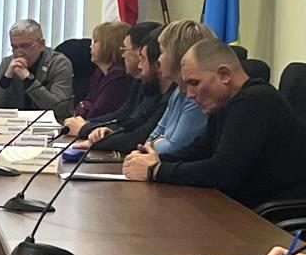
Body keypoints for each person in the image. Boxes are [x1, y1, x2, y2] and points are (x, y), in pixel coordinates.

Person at [124, 39, 306, 210]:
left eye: (194, 83)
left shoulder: (255, 101)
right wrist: (154, 159)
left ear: (224, 75)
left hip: (271, 215)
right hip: (241, 207)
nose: (190, 94)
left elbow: (223, 172)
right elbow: (200, 150)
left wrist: (156, 170)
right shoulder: (225, 103)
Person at [117, 20, 211, 158]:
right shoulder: (178, 92)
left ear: (178, 55)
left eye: (162, 52)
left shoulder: (196, 97)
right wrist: (158, 141)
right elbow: (151, 138)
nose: (158, 59)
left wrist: (157, 142)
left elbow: (174, 148)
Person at [68, 22, 163, 140]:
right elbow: (126, 116)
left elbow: (136, 130)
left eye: (125, 49)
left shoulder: (120, 77)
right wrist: (88, 125)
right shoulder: (101, 73)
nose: (122, 55)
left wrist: (85, 127)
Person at [0, 19, 74, 119]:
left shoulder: (59, 63)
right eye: (15, 47)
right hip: (14, 123)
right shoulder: (7, 63)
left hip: (49, 125)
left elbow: (61, 109)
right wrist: (6, 80)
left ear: (41, 44)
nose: (19, 53)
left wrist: (28, 80)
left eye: (25, 46)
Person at [65, 21, 130, 125]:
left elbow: (96, 113)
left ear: (109, 45)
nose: (90, 46)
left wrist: (85, 109)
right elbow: (85, 104)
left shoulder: (118, 77)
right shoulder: (100, 72)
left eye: (95, 41)